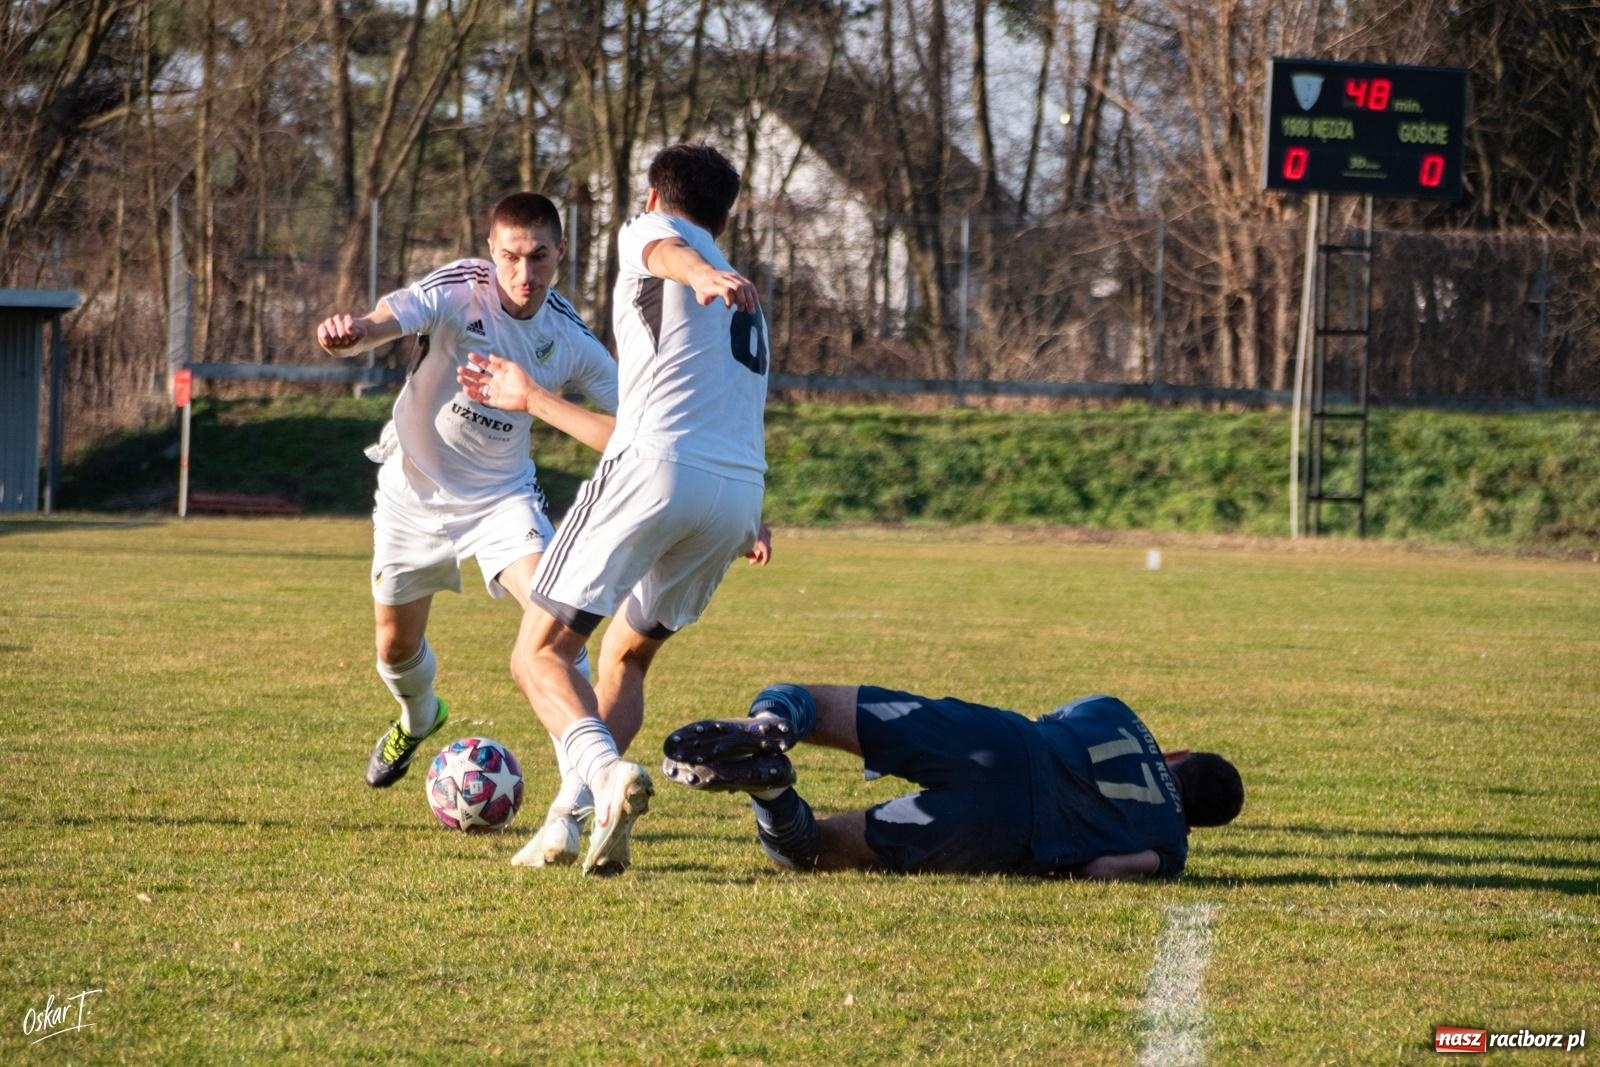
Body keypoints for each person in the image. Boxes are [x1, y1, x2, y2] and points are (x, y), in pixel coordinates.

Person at [489, 143, 770, 877]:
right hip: (738, 493)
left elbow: (664, 249)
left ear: (652, 198)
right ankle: (568, 819)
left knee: (538, 653)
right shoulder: (745, 297)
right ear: (727, 217)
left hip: (655, 472)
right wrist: (749, 515)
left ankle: (606, 773)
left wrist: (696, 270)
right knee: (626, 656)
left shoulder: (655, 236)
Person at [313, 191, 620, 805]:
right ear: (490, 250)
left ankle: (586, 780)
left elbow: (634, 432)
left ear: (561, 252)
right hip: (412, 491)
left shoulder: (569, 337)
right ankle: (419, 717)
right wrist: (353, 334)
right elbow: (388, 318)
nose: (524, 273)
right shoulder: (459, 290)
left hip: (502, 499)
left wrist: (540, 402)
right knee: (395, 647)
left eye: (539, 257)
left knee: (557, 619)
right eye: (511, 257)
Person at [660, 684, 1243, 878]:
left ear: (1177, 754)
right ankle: (770, 790)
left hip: (1004, 742)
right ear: (1194, 824)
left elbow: (1055, 720)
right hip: (1008, 827)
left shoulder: (1119, 714)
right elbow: (1104, 870)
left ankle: (770, 723)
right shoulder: (1171, 844)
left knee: (811, 702)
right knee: (810, 852)